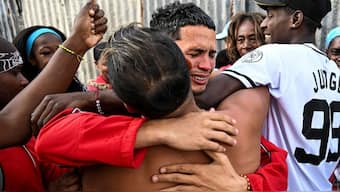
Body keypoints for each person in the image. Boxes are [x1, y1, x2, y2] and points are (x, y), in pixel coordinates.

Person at [35, 1, 287, 191]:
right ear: (167, 50)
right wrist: (162, 130)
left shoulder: (228, 97)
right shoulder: (231, 120)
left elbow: (275, 167)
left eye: (212, 54)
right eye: (195, 52)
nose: (207, 65)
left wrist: (245, 186)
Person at [187, 0, 338, 190]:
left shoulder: (274, 56)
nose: (264, 24)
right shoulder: (333, 69)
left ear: (296, 19)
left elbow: (204, 96)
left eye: (271, 15)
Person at [0, 0, 107, 191]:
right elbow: (11, 124)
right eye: (14, 73)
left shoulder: (29, 132)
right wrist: (77, 42)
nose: (23, 81)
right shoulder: (19, 124)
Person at [13, 25, 85, 92]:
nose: (57, 57)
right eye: (46, 52)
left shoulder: (79, 90)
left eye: (61, 51)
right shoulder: (27, 98)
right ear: (31, 59)